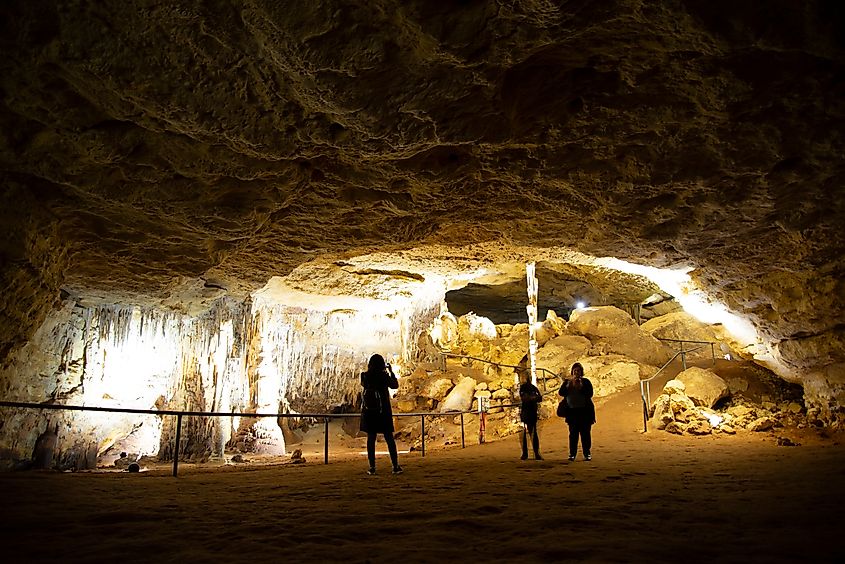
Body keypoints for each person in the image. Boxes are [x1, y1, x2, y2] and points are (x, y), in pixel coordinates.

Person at [360, 354, 402, 475]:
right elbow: (395, 385)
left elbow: (364, 385)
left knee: (371, 439)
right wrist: (390, 371)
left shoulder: (365, 376)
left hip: (369, 412)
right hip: (383, 411)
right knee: (389, 438)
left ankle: (372, 467)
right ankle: (395, 466)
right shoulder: (384, 376)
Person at [558, 362, 596, 461]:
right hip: (572, 413)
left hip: (584, 412)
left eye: (578, 371)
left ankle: (587, 453)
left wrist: (581, 386)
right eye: (575, 371)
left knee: (585, 434)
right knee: (573, 434)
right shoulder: (567, 382)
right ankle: (572, 454)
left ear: (581, 372)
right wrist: (568, 385)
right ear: (572, 372)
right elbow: (561, 393)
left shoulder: (586, 382)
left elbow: (590, 394)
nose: (577, 373)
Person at [518, 372, 543, 460]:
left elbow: (538, 398)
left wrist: (531, 398)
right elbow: (530, 398)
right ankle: (530, 453)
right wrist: (533, 398)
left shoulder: (528, 387)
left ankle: (530, 453)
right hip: (528, 411)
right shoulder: (530, 388)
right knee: (529, 433)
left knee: (530, 433)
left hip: (530, 411)